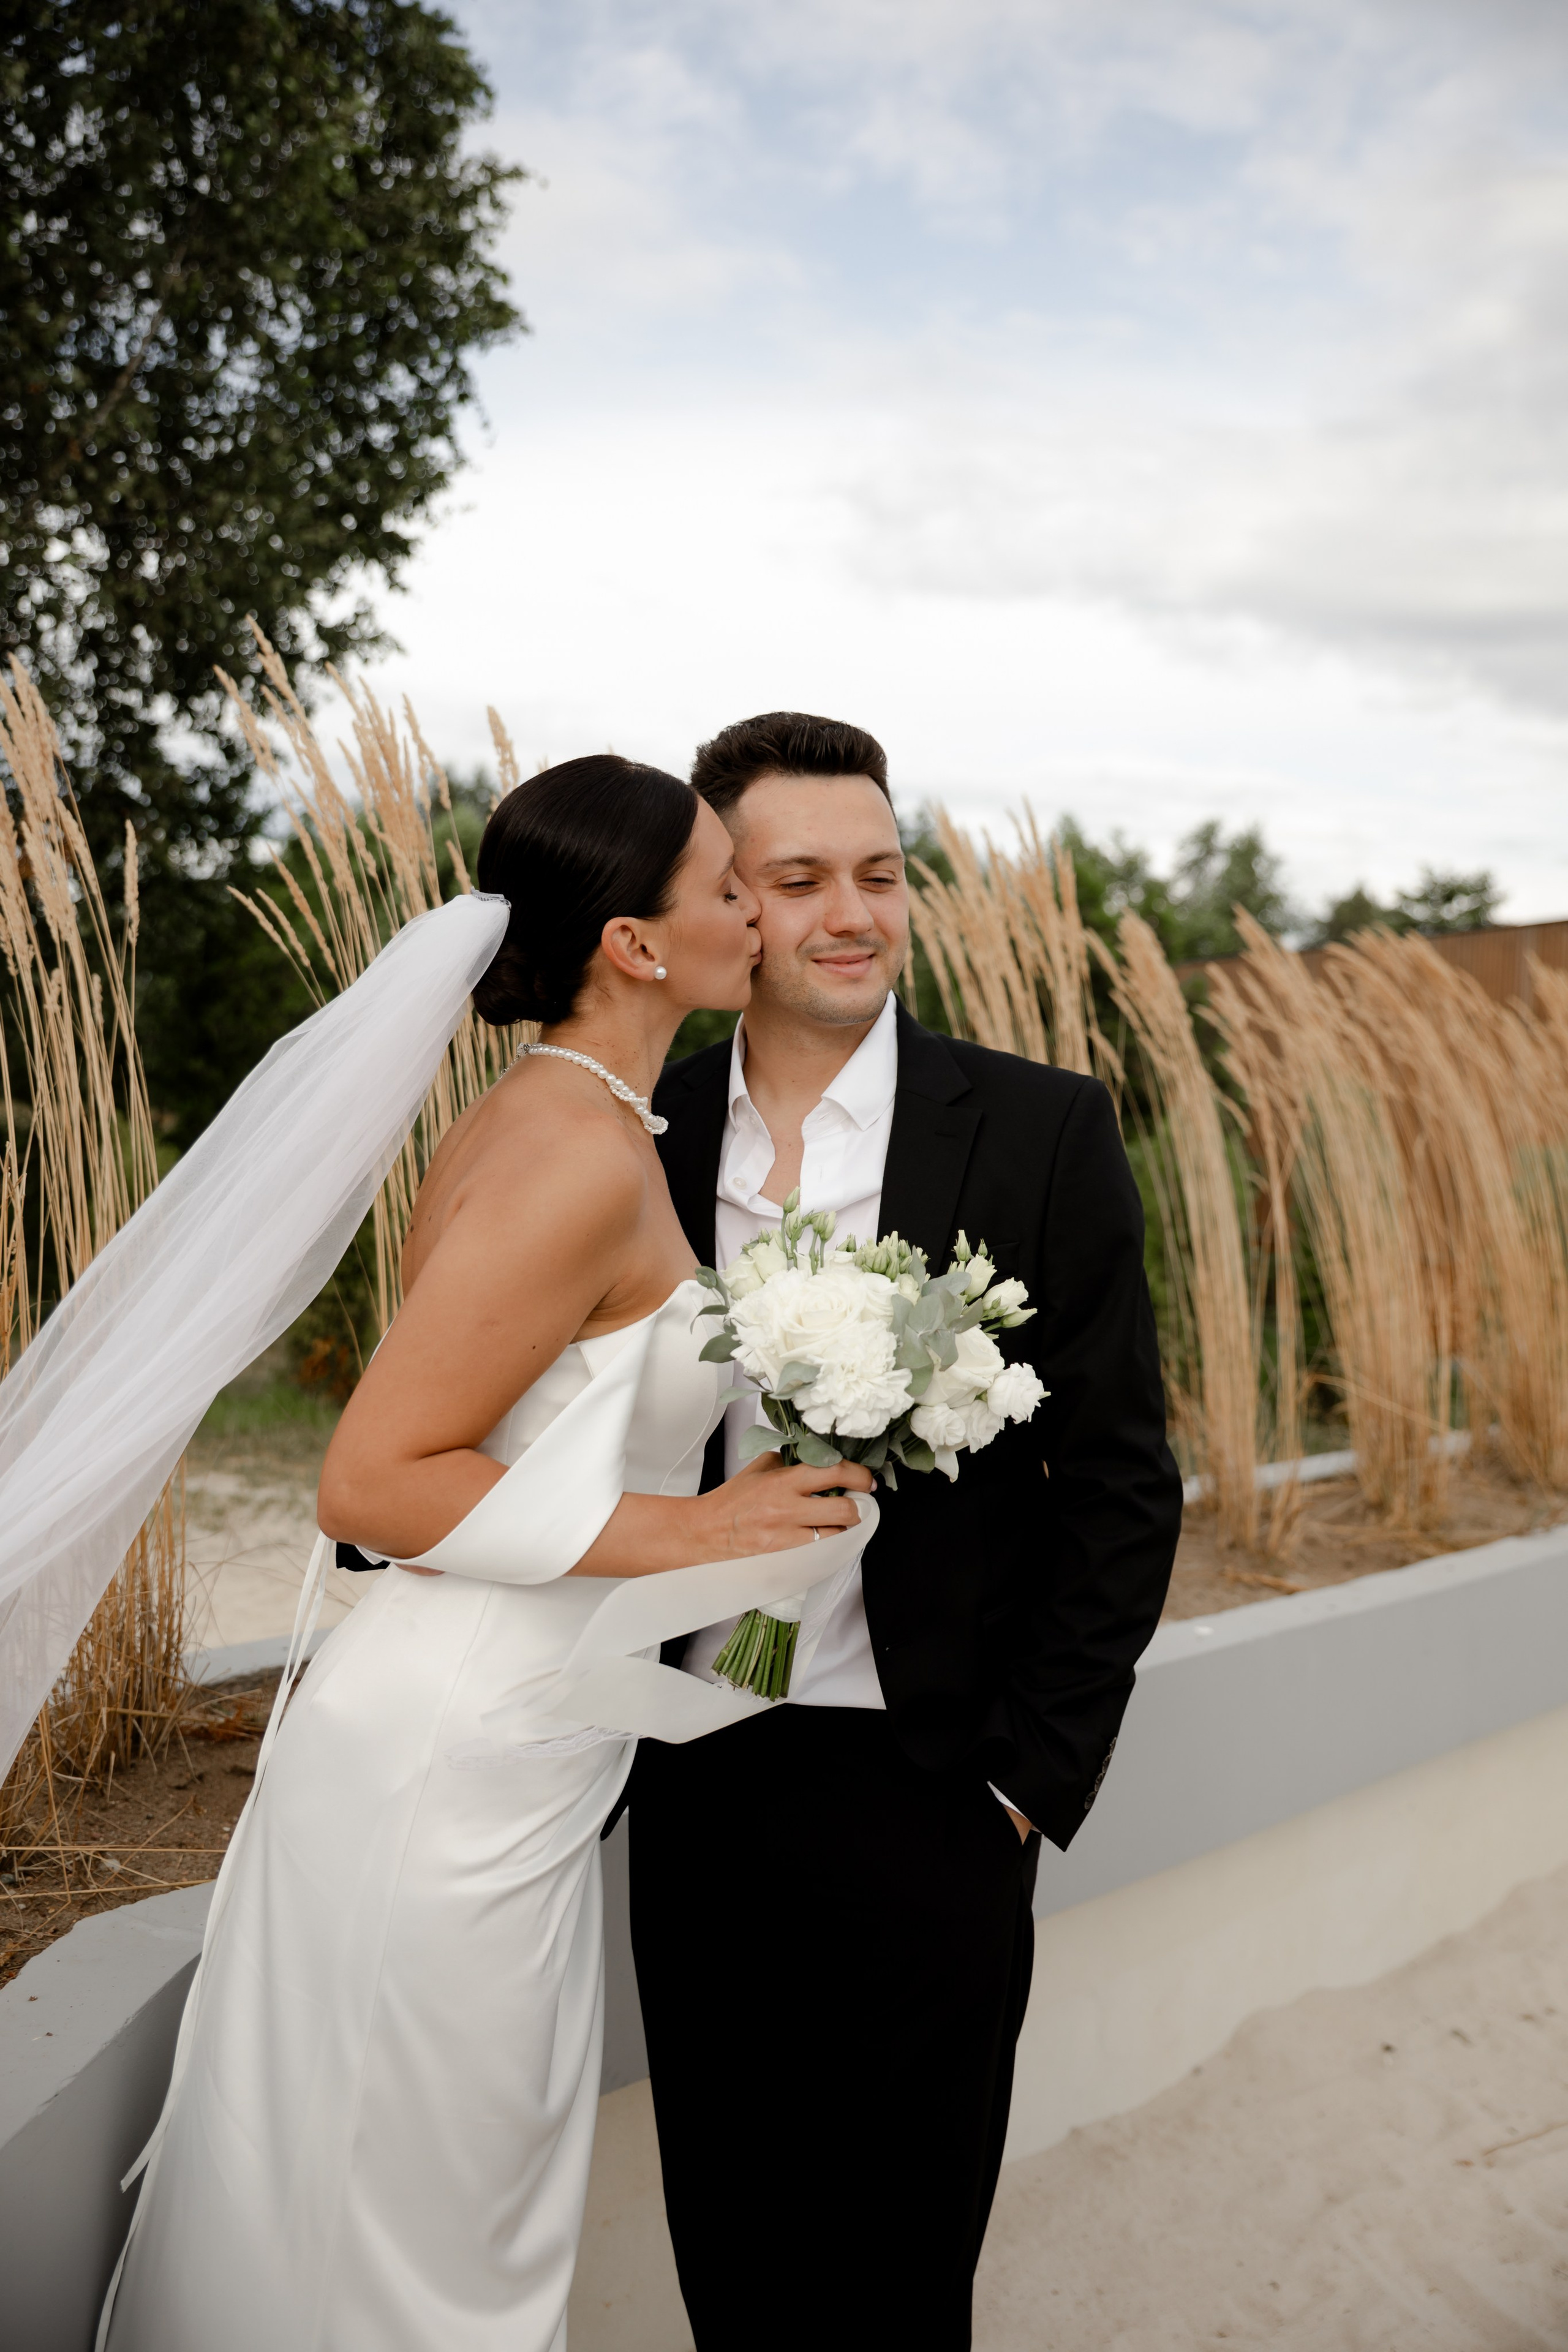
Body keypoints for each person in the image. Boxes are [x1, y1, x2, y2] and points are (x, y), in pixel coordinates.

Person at [99, 756, 875, 2352]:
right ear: (636, 947)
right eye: (730, 888)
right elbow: (371, 1480)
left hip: (530, 1741)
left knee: (441, 2193)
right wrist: (705, 1526)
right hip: (449, 1763)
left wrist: (769, 1548)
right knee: (422, 2224)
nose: (761, 916)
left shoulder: (577, 1120)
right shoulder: (573, 1153)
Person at [627, 713, 1183, 2351]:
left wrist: (1028, 1779)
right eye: (797, 879)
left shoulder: (1038, 1126)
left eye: (879, 873)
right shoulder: (633, 1129)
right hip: (692, 1760)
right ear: (724, 901)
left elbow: (1124, 1475)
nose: (849, 912)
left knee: (902, 2266)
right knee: (730, 2243)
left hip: (935, 1783)